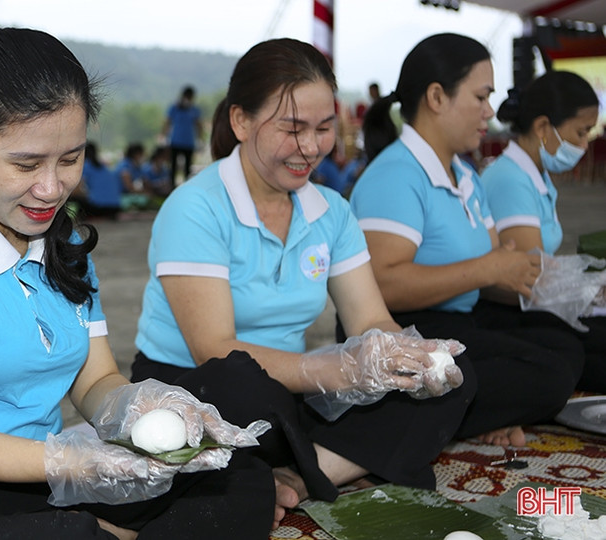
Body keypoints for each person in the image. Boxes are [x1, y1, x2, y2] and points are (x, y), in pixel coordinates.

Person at [0, 28, 276, 539]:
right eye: (26, 164)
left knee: (238, 475)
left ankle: (94, 527)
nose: (51, 188)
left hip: (43, 478)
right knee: (68, 535)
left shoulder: (64, 239)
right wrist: (71, 463)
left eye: (70, 159)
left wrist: (142, 409)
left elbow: (95, 382)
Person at [131, 38, 472, 527]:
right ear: (241, 121)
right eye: (292, 129)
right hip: (198, 385)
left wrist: (406, 358)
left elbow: (370, 317)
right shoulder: (196, 207)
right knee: (244, 385)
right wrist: (337, 370)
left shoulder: (331, 210)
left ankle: (290, 475)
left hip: (288, 390)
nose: (311, 147)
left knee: (454, 377)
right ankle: (325, 462)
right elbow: (213, 348)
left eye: (324, 128)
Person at [351, 33, 585, 449]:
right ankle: (431, 418)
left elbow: (499, 260)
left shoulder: (465, 175)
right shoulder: (396, 175)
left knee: (564, 344)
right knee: (549, 373)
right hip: (408, 331)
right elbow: (382, 286)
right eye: (481, 97)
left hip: (463, 317)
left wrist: (550, 281)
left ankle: (476, 412)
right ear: (437, 97)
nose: (489, 111)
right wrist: (490, 268)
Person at [480, 71, 606, 391]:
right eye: (580, 133)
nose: (583, 145)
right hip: (508, 312)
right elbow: (529, 278)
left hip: (532, 305)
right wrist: (590, 291)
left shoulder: (536, 174)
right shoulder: (510, 179)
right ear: (542, 128)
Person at [162, 85, 202, 187]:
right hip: (175, 140)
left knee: (187, 167)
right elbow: (167, 122)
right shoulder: (175, 108)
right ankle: (171, 186)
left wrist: (200, 139)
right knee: (173, 166)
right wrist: (164, 136)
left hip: (189, 141)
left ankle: (186, 186)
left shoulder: (194, 109)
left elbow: (198, 125)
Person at [76, 141, 122, 220]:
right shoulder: (104, 166)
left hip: (98, 208)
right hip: (115, 207)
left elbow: (77, 190)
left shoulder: (85, 166)